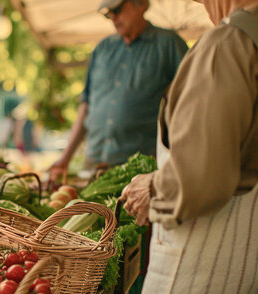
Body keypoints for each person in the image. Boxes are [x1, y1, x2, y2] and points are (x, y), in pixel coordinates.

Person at [120, 2, 257, 294]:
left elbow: (200, 182)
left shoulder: (227, 45)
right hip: (242, 272)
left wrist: (152, 187)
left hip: (199, 271)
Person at [49, 0, 188, 180]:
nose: (112, 17)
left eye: (117, 9)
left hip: (140, 171)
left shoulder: (168, 43)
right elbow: (86, 108)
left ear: (142, 4)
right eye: (108, 13)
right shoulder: (102, 49)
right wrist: (64, 159)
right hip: (94, 166)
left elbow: (192, 101)